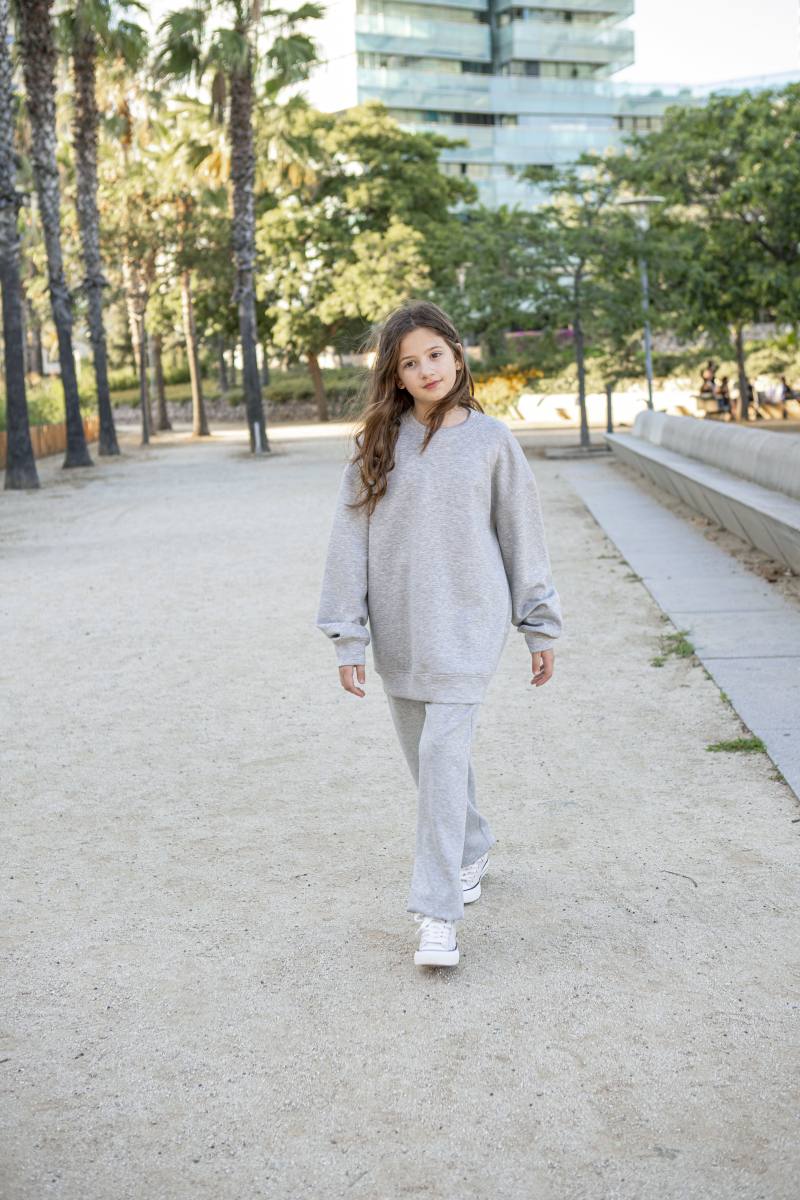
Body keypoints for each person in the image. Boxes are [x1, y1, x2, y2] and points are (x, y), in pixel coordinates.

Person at [315, 301, 563, 969]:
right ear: (394, 376)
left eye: (434, 354)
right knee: (429, 764)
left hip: (469, 628)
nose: (426, 369)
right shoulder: (376, 447)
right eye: (409, 362)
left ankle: (436, 915)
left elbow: (523, 537)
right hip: (401, 633)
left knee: (442, 755)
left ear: (457, 354)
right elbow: (348, 546)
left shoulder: (492, 442)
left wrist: (539, 627)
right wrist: (348, 636)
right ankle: (472, 844)